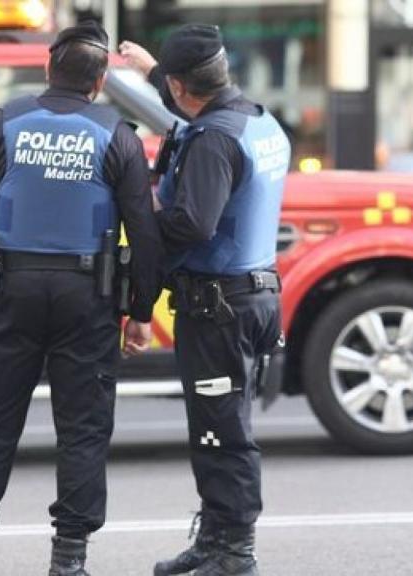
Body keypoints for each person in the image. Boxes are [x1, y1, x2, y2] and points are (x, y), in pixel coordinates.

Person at [0, 20, 163, 576]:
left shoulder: (4, 125)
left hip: (10, 291)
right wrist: (140, 312)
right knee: (83, 429)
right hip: (87, 295)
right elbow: (144, 232)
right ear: (100, 82)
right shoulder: (117, 135)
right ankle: (68, 561)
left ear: (48, 67)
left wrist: (0, 250)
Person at [120, 24, 290, 576]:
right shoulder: (257, 121)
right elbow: (186, 107)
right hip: (250, 297)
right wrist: (151, 71)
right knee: (217, 428)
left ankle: (234, 551)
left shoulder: (213, 141)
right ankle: (216, 539)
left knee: (224, 435)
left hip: (220, 309)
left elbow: (192, 224)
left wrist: (143, 218)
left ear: (181, 85)